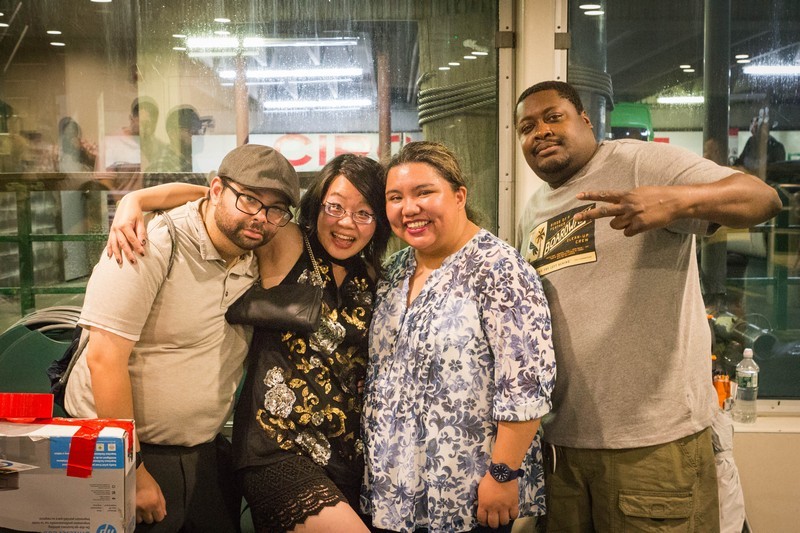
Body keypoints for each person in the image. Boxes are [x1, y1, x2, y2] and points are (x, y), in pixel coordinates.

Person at [514, 80, 782, 531]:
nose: (540, 131)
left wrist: (677, 200)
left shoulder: (641, 164)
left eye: (553, 117)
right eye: (526, 127)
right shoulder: (534, 208)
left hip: (651, 445)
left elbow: (763, 199)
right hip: (563, 449)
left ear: (585, 121)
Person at [107, 153, 391, 532]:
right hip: (278, 447)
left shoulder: (372, 275)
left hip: (350, 454)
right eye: (335, 207)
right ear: (317, 205)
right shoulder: (288, 242)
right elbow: (223, 201)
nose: (346, 223)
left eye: (364, 213)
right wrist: (136, 200)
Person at [64, 144, 301, 532]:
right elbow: (104, 358)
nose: (260, 217)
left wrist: (139, 197)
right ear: (216, 190)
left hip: (203, 452)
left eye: (275, 209)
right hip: (129, 453)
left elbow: (268, 216)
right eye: (249, 200)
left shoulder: (254, 249)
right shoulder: (148, 243)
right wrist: (131, 470)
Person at [361, 141, 556, 532]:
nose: (408, 208)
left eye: (424, 192)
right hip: (393, 489)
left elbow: (526, 385)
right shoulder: (394, 270)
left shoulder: (499, 267)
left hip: (468, 492)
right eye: (395, 197)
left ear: (459, 196)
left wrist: (502, 474)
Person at [734, 109, 786, 177]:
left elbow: (778, 171)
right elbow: (740, 162)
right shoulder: (750, 142)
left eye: (763, 128)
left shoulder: (777, 147)